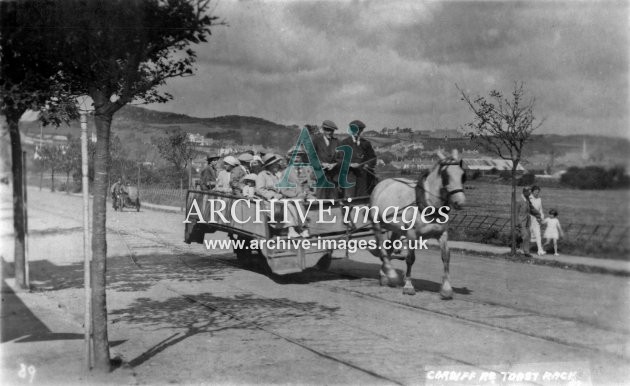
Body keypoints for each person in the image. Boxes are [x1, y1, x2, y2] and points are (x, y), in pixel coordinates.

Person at [256, 153, 308, 238]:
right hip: (267, 202)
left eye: (276, 163)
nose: (277, 165)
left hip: (279, 200)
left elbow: (283, 189)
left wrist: (294, 194)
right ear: (269, 166)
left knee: (295, 203)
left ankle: (301, 227)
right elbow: (260, 189)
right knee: (287, 205)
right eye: (274, 164)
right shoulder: (262, 175)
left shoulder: (277, 175)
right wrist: (273, 196)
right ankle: (291, 229)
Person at [337, 119, 376, 198]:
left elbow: (373, 158)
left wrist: (367, 165)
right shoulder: (344, 143)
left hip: (362, 177)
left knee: (362, 199)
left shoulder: (366, 143)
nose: (357, 133)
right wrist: (350, 165)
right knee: (349, 199)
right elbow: (338, 159)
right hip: (349, 176)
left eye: (359, 130)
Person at [313, 120, 340, 199]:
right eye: (328, 130)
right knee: (321, 200)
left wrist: (334, 164)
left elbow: (342, 158)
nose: (330, 133)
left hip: (334, 176)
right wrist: (321, 164)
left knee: (334, 200)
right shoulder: (316, 141)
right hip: (321, 175)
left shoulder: (337, 142)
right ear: (323, 130)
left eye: (332, 130)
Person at [529, 185, 545, 255]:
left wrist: (542, 218)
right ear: (532, 192)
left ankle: (540, 250)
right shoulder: (528, 199)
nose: (537, 193)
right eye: (535, 192)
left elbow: (541, 210)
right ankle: (523, 249)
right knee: (527, 235)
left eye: (538, 192)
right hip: (529, 219)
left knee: (538, 235)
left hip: (536, 220)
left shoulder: (539, 199)